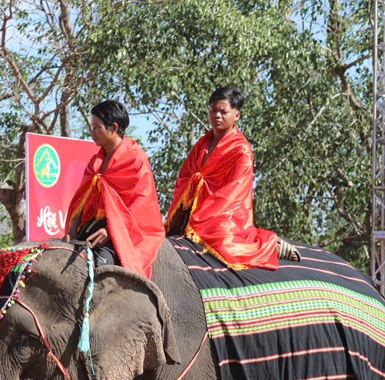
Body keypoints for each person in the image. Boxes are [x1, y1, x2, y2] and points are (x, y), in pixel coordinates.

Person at [164, 86, 296, 270]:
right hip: (194, 209)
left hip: (224, 213)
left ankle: (270, 246)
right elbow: (184, 176)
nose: (216, 115)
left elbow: (233, 192)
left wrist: (204, 214)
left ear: (236, 115)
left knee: (224, 242)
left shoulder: (241, 150)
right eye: (213, 110)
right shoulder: (202, 144)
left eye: (223, 111)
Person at [65, 99, 166, 276]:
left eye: (97, 127)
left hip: (127, 229)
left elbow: (141, 204)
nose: (93, 132)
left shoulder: (136, 159)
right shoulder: (95, 162)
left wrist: (110, 230)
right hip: (96, 224)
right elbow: (82, 200)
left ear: (113, 128)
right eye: (92, 127)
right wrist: (72, 230)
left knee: (101, 267)